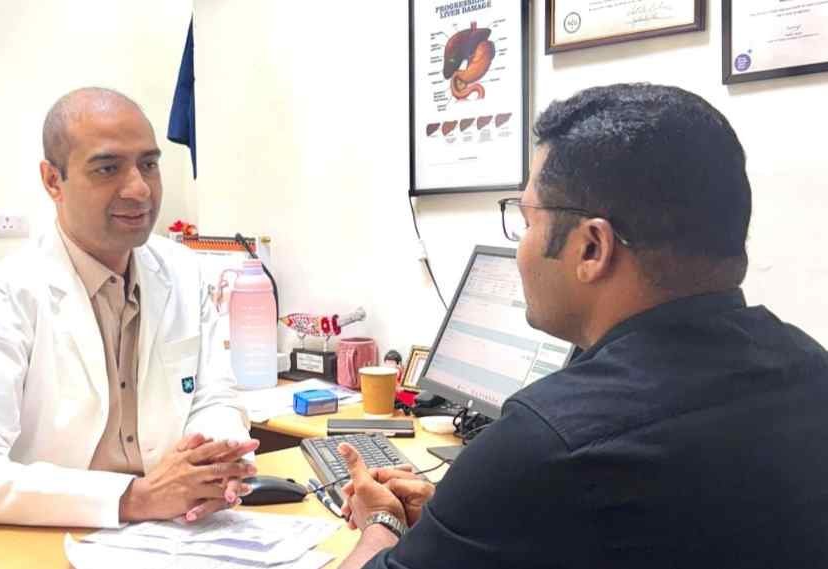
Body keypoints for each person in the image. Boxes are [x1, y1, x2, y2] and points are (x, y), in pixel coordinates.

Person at [337, 83, 828, 568]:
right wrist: (459, 524)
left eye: (527, 222)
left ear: (593, 247)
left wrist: (382, 521)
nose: (521, 248)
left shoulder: (548, 443)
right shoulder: (812, 370)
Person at [0, 87, 258, 529]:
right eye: (107, 168)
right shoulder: (10, 294)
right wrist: (134, 498)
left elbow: (215, 397)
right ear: (52, 181)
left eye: (149, 164)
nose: (139, 189)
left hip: (173, 533)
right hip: (53, 537)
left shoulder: (184, 273)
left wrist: (214, 467)